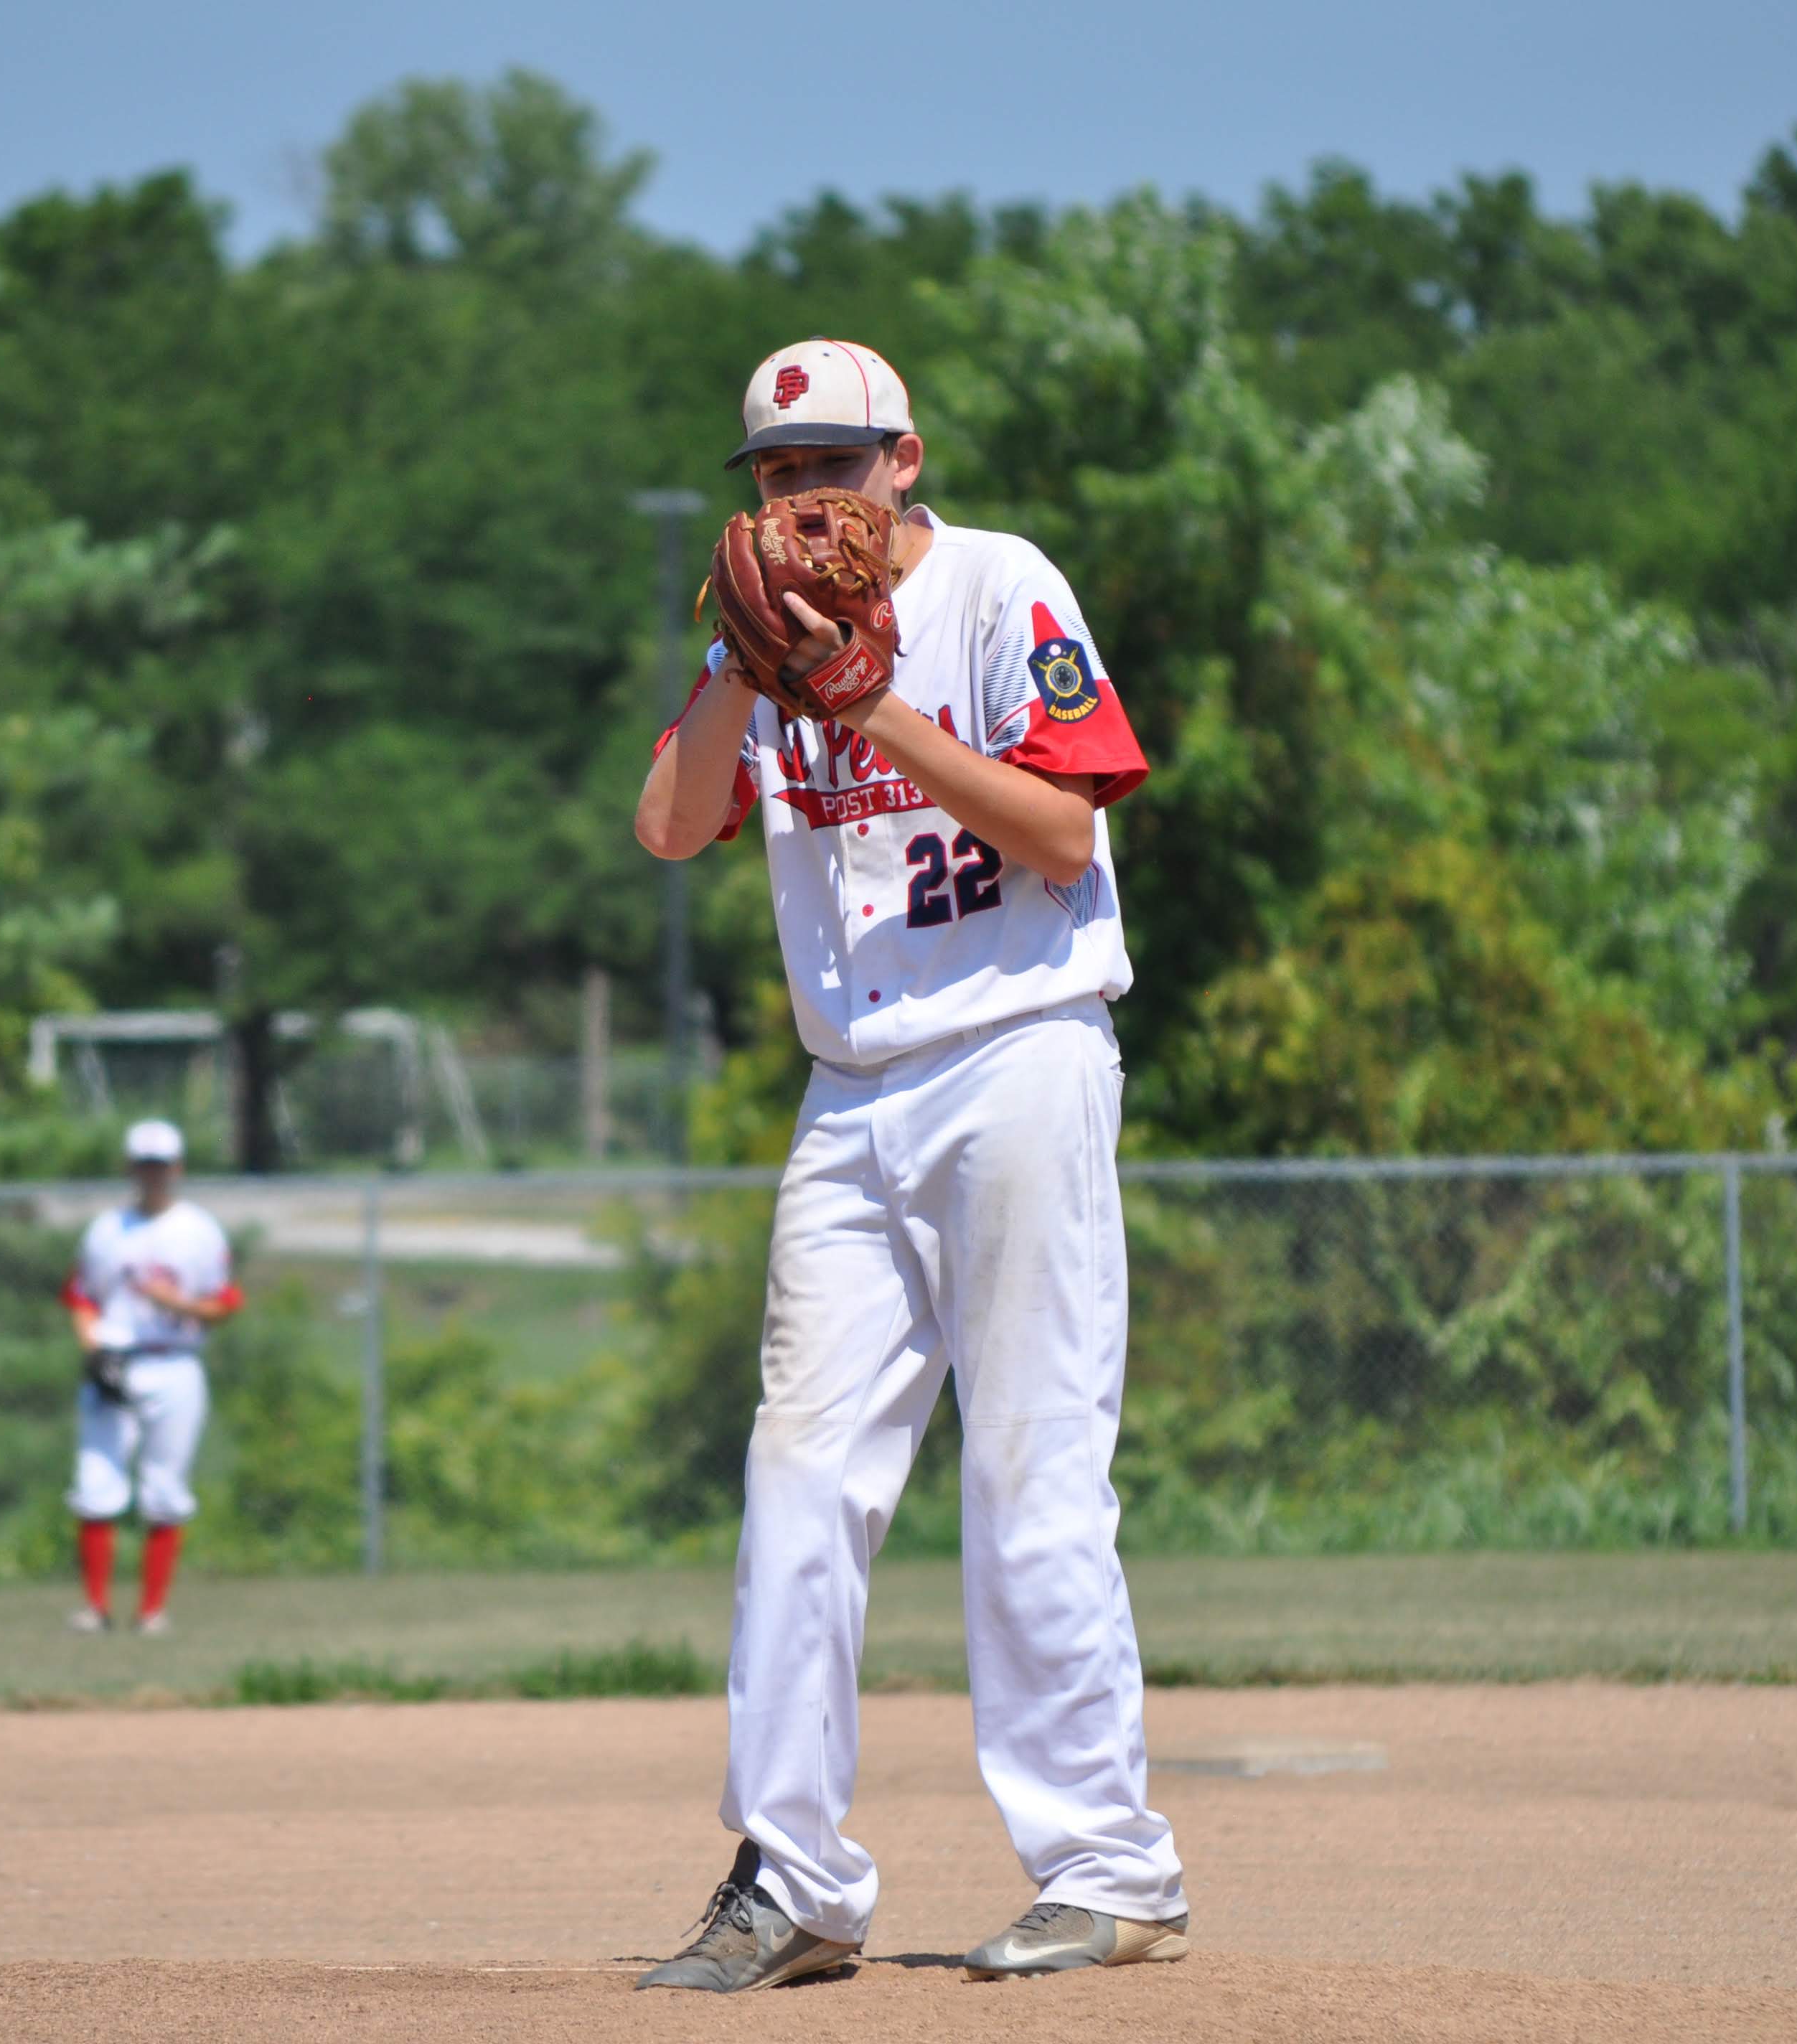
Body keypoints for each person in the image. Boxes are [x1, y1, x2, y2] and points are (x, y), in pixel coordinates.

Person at [629, 338, 1186, 1990]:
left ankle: (1107, 1869)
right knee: (797, 1478)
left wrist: (868, 698)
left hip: (1016, 1050)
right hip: (849, 1089)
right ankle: (789, 1880)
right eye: (777, 472)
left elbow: (1066, 829)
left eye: (835, 462)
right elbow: (668, 825)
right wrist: (742, 666)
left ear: (904, 459)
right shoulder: (756, 632)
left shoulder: (1000, 587)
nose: (806, 497)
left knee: (1028, 1470)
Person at [60, 1118, 241, 1636]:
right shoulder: (106, 1230)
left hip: (175, 1361)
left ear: (177, 1168)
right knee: (96, 1483)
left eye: (161, 1165)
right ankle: (95, 1608)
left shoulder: (199, 1230)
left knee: (165, 1488)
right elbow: (82, 1298)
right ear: (130, 1168)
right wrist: (93, 1350)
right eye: (144, 1165)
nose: (153, 1175)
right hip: (115, 1358)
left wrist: (176, 1304)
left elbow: (225, 1304)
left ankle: (151, 1611)